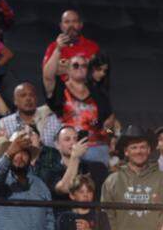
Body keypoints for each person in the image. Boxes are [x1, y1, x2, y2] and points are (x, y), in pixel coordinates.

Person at [44, 54, 114, 182]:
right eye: (75, 65)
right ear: (68, 69)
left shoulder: (99, 95)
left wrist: (110, 132)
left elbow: (109, 130)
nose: (80, 68)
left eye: (84, 65)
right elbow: (48, 76)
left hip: (96, 149)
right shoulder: (61, 90)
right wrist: (59, 48)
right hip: (68, 149)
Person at [42, 10, 100, 83]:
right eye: (67, 22)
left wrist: (63, 67)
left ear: (81, 24)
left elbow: (97, 73)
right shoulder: (53, 47)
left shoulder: (92, 46)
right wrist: (58, 49)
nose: (71, 25)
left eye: (74, 21)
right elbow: (47, 76)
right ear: (61, 26)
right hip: (61, 91)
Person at [0, 82, 63, 146]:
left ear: (36, 99)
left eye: (31, 95)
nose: (28, 98)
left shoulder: (51, 120)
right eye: (23, 95)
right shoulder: (4, 124)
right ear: (15, 101)